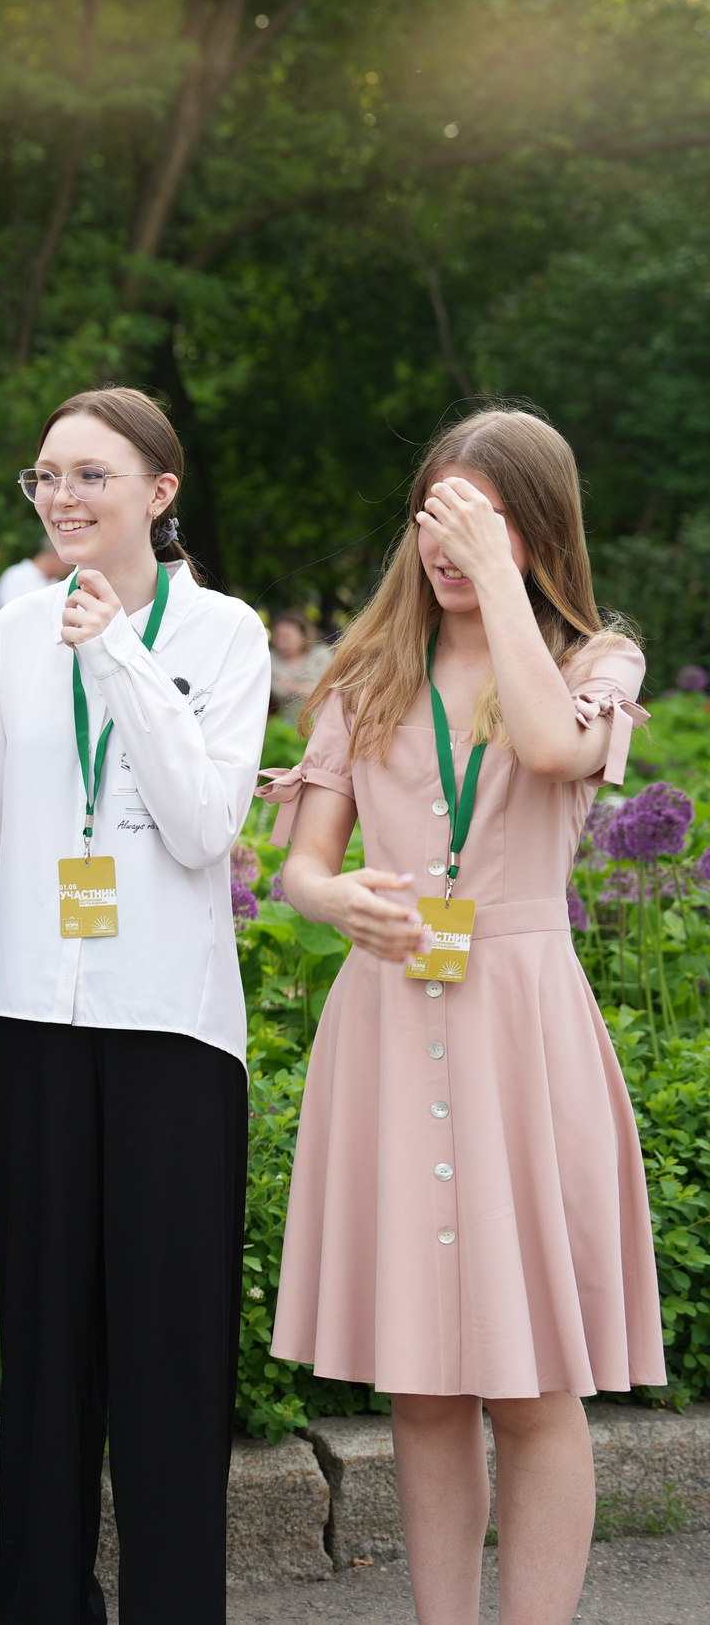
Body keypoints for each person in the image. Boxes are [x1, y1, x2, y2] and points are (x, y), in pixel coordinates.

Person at [262, 409, 663, 1625]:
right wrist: (340, 902)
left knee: (533, 1384)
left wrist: (499, 581)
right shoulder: (366, 676)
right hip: (386, 1022)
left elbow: (548, 748)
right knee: (423, 1394)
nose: (442, 543)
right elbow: (298, 866)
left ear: (535, 527)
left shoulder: (598, 664)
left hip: (520, 1031)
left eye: (475, 519)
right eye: (432, 516)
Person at [0, 387, 269, 1624]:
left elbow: (201, 826)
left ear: (160, 494)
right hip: (40, 1032)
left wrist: (114, 649)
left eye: (92, 477)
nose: (62, 499)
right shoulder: (11, 634)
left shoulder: (224, 635)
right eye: (46, 478)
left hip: (171, 1031)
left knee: (170, 1362)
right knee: (47, 1352)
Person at [268, 607, 333, 717]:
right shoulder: (270, 659)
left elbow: (328, 690)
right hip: (286, 724)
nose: (281, 642)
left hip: (320, 719)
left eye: (287, 637)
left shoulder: (321, 655)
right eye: (278, 636)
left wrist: (294, 686)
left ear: (303, 636)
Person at [0, 542, 69, 610]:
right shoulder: (15, 576)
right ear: (55, 555)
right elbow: (8, 615)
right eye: (68, 562)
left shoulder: (56, 583)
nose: (69, 568)